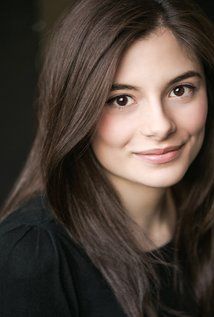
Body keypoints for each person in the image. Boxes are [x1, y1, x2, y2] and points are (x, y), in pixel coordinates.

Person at [0, 0, 213, 316]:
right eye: (121, 99)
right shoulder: (32, 254)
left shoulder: (204, 208)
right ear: (75, 109)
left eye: (180, 90)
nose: (161, 126)